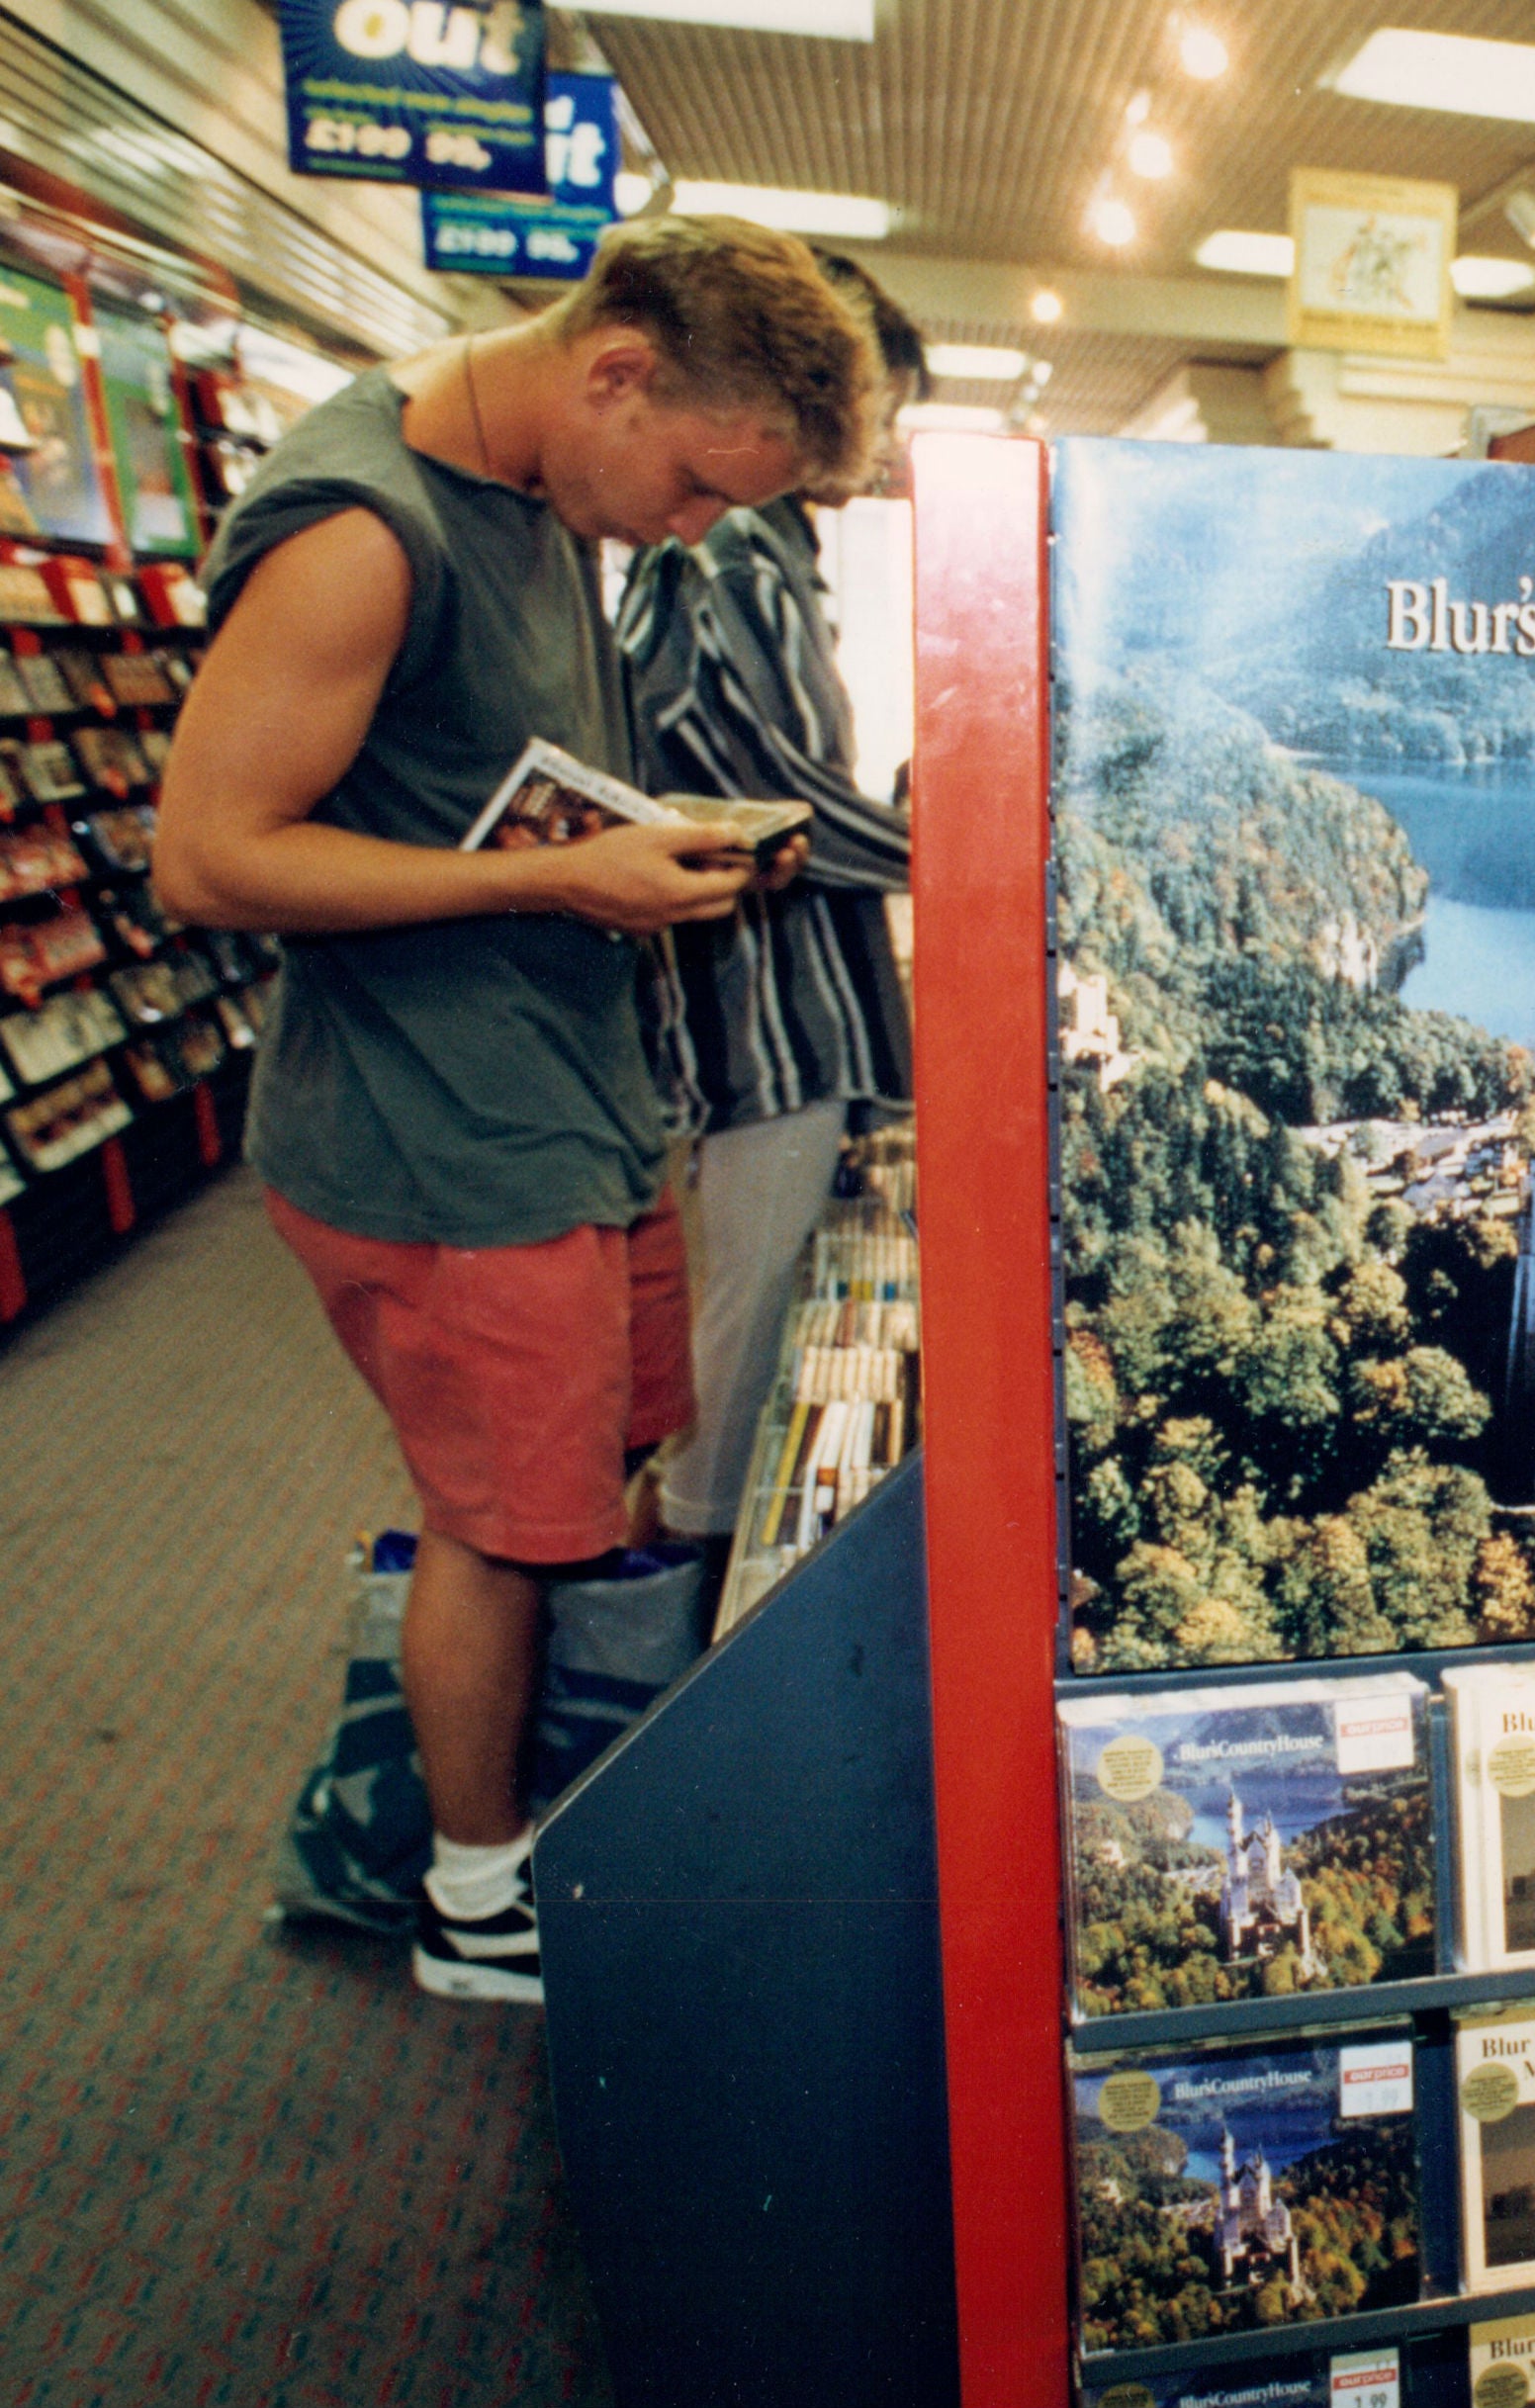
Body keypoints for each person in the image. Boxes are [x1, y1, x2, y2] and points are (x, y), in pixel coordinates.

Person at [151, 217, 875, 2004]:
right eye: (699, 487)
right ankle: (473, 1900)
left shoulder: (547, 498)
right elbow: (208, 856)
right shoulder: (357, 537)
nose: (693, 534)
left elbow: (477, 779)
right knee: (501, 1522)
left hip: (562, 1107)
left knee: (566, 1493)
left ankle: (522, 1809)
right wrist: (557, 890)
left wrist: (642, 843)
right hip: (438, 1140)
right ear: (616, 371)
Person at [619, 252, 925, 1579]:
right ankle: (674, 1642)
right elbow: (773, 801)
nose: (882, 447)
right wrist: (945, 849)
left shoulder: (779, 558)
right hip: (767, 1024)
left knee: (767, 1327)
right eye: (879, 413)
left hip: (808, 1010)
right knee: (739, 1358)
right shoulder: (735, 553)